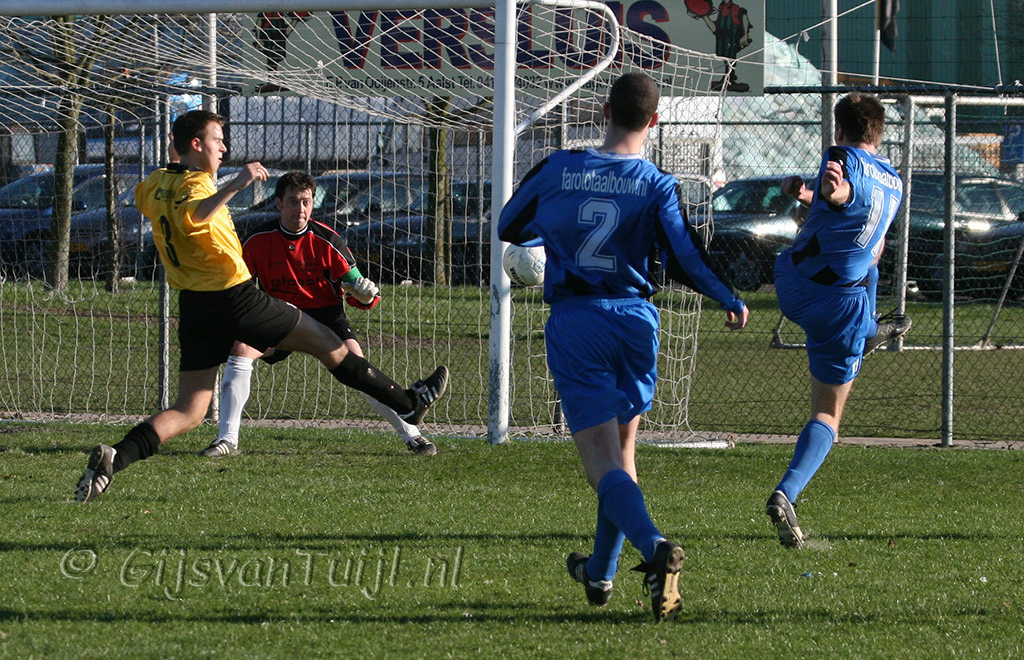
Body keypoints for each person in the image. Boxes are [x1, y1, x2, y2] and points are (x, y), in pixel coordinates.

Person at [74, 109, 448, 502]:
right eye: (218, 140)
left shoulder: (155, 183)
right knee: (328, 342)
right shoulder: (199, 187)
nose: (224, 148)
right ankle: (408, 404)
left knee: (190, 410)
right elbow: (195, 213)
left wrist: (179, 152)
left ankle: (116, 457)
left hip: (194, 305)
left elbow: (167, 192)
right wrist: (237, 183)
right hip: (234, 297)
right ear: (197, 145)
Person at [497, 72, 749, 622]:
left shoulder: (559, 167)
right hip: (636, 323)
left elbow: (509, 225)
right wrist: (728, 296)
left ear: (605, 111)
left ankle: (654, 547)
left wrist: (551, 233)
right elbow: (684, 256)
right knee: (623, 457)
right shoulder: (657, 183)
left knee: (601, 465)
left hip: (579, 322)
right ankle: (600, 573)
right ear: (653, 121)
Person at [200, 171, 437, 459]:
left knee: (359, 369)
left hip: (326, 317)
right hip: (280, 315)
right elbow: (241, 287)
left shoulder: (328, 240)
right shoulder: (257, 240)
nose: (300, 209)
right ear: (278, 204)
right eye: (293, 201)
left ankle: (412, 435)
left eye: (306, 202)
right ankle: (227, 439)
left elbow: (359, 289)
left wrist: (364, 294)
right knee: (240, 350)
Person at [766, 92, 911, 548]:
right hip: (838, 309)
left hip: (791, 281)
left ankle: (869, 330)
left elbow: (841, 197)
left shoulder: (844, 160)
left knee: (865, 267)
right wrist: (832, 191)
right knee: (828, 414)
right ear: (879, 133)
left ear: (840, 128)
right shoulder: (894, 183)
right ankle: (786, 494)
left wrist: (810, 195)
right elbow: (847, 198)